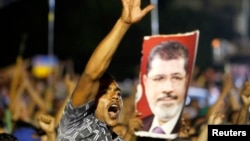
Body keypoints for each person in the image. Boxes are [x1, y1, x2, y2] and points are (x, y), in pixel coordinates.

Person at [56, 0, 154, 141]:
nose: (115, 97)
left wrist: (132, 134)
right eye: (105, 92)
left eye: (118, 93)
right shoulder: (75, 123)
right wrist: (123, 24)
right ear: (91, 100)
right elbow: (91, 75)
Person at [141, 41, 190, 135]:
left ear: (186, 81)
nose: (168, 88)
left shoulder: (195, 128)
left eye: (176, 78)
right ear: (146, 83)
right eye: (159, 78)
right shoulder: (136, 129)